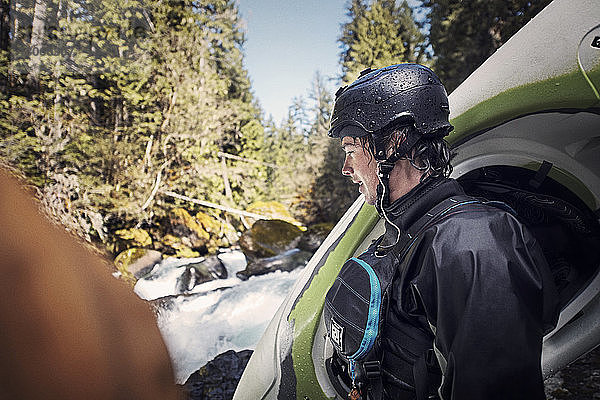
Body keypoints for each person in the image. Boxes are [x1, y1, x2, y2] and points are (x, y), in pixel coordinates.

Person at [323, 64, 559, 400]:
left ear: (393, 143)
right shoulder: (409, 232)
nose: (346, 169)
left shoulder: (474, 243)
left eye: (350, 150)